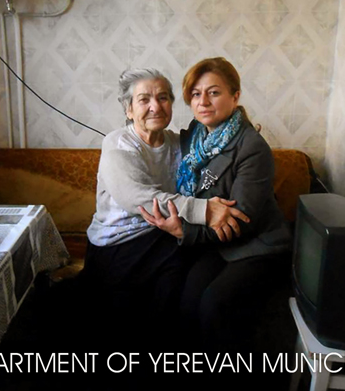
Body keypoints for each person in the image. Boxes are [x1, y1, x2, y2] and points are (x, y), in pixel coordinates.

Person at [82, 68, 247, 349]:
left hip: (162, 236)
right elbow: (138, 197)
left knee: (197, 274)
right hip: (119, 244)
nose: (155, 106)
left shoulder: (178, 143)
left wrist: (242, 140)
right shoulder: (117, 144)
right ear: (129, 109)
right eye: (144, 100)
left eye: (162, 98)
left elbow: (215, 156)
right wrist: (205, 210)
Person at [139, 57, 291, 355]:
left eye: (214, 92)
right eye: (196, 94)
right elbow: (151, 138)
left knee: (213, 303)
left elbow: (241, 219)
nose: (203, 102)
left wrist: (184, 231)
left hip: (256, 246)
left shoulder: (252, 147)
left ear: (235, 96)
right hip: (217, 246)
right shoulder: (195, 137)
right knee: (185, 298)